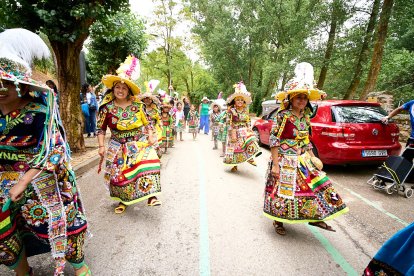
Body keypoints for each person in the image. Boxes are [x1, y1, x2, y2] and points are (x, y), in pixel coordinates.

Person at [0, 28, 89, 276]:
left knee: (58, 220)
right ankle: (22, 271)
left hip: (42, 177)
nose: (2, 89)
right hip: (3, 180)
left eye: (8, 82)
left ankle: (79, 266)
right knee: (3, 231)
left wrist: (23, 181)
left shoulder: (41, 112)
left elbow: (55, 150)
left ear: (21, 85)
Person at [263, 62, 348, 235]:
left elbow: (306, 138)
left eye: (304, 97)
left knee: (315, 185)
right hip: (284, 158)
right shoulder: (283, 116)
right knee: (283, 190)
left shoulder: (305, 117)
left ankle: (314, 216)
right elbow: (274, 139)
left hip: (302, 158)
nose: (302, 100)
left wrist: (312, 156)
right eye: (298, 97)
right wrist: (276, 164)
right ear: (291, 99)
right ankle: (278, 220)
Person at [97, 55, 161, 214]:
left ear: (128, 91)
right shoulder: (106, 108)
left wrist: (152, 136)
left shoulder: (138, 106)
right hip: (117, 144)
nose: (120, 90)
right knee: (119, 174)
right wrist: (100, 146)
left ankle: (151, 196)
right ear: (113, 89)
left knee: (149, 162)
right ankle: (123, 201)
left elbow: (148, 123)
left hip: (138, 142)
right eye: (118, 87)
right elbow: (101, 129)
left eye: (124, 88)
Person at [223, 82, 262, 172]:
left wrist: (249, 128)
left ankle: (250, 157)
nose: (240, 101)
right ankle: (234, 165)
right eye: (238, 100)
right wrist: (232, 134)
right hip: (234, 131)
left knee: (251, 140)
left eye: (241, 100)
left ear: (244, 102)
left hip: (244, 130)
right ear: (235, 102)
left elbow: (248, 120)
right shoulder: (231, 111)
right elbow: (228, 122)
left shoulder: (245, 111)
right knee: (234, 148)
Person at [138, 84, 163, 158]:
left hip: (153, 130)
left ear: (151, 100)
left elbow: (158, 118)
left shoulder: (155, 109)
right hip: (142, 130)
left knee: (155, 145)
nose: (147, 100)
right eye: (145, 98)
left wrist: (160, 124)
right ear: (143, 100)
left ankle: (156, 158)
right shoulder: (140, 109)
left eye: (149, 99)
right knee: (144, 146)